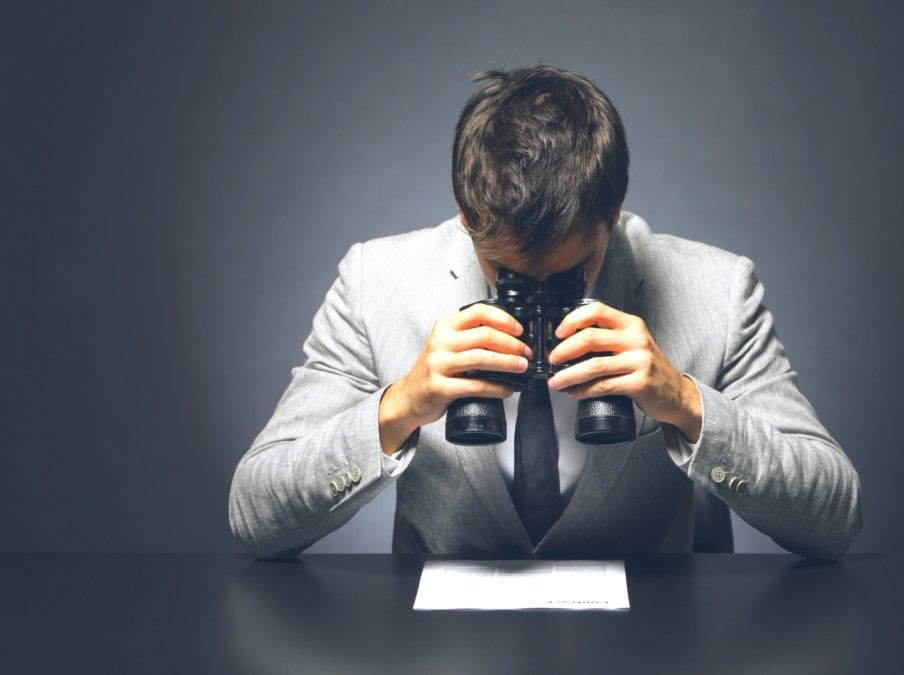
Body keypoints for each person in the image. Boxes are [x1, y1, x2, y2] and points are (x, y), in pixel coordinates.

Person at [228, 65, 862, 560]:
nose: (535, 299)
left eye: (566, 274)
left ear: (612, 213)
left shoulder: (716, 292)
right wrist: (398, 408)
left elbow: (835, 517)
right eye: (501, 272)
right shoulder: (377, 282)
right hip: (442, 649)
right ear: (463, 208)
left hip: (650, 644)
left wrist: (688, 405)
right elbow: (255, 516)